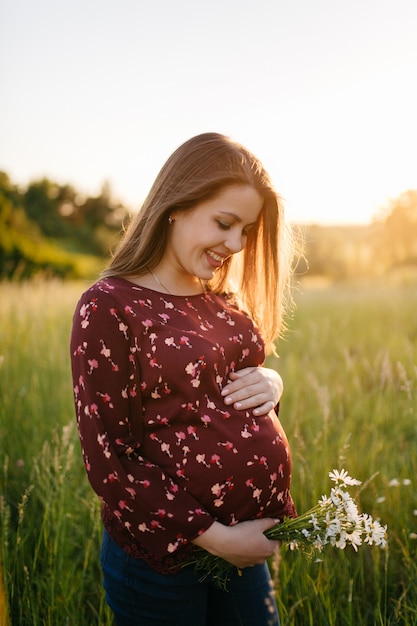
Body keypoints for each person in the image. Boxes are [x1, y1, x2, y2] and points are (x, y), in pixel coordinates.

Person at [70, 132, 297, 626]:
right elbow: (110, 459)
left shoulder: (224, 305)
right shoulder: (110, 307)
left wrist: (272, 384)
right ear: (176, 204)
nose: (235, 245)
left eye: (246, 231)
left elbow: (234, 405)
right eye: (224, 223)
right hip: (161, 560)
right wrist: (218, 539)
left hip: (243, 550)